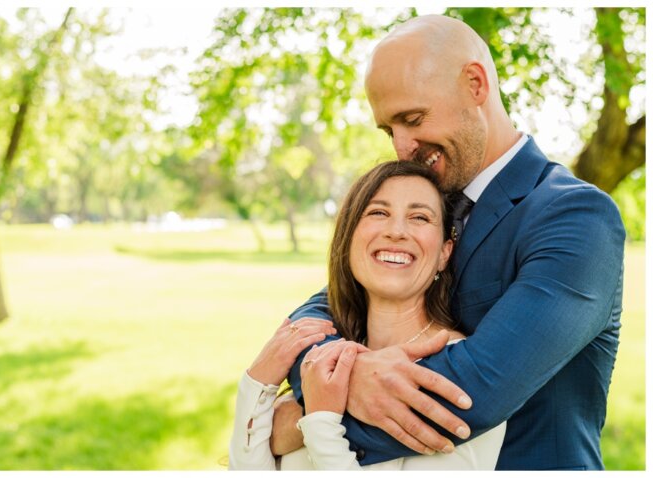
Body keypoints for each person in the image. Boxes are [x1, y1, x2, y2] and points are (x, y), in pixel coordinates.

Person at [270, 15, 624, 470]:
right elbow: (325, 306)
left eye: (412, 119)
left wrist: (308, 419)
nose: (401, 147)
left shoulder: (575, 217)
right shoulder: (426, 208)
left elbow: (470, 393)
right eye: (388, 130)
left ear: (475, 84)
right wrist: (344, 375)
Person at [230, 161, 506, 470]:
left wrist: (322, 424)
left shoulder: (460, 377)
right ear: (348, 238)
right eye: (378, 212)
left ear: (444, 252)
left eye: (419, 217)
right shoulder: (323, 359)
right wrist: (257, 384)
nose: (397, 231)